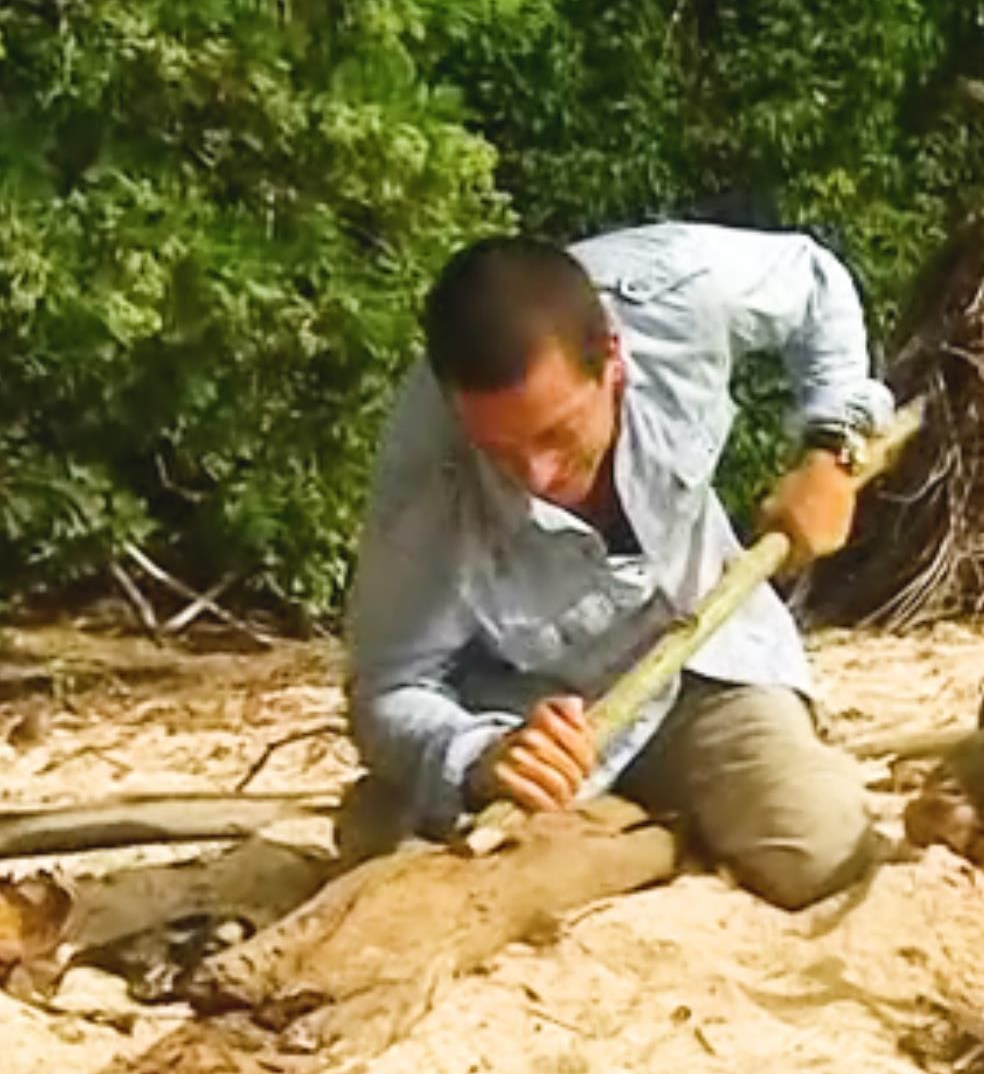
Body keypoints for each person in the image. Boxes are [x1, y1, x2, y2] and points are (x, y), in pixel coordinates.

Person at [338, 222, 894, 909]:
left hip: (709, 664)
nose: (537, 473)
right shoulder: (426, 473)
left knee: (825, 854)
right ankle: (627, 831)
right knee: (410, 877)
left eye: (556, 433)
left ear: (614, 359)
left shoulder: (674, 294)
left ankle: (638, 828)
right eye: (501, 452)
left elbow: (815, 281)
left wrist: (831, 444)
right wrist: (480, 756)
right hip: (531, 722)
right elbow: (388, 689)